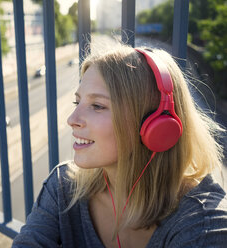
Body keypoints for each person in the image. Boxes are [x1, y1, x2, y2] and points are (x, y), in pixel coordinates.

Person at [12, 45, 227, 248]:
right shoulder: (63, 187)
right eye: (78, 103)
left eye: (97, 106)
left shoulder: (204, 224)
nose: (72, 119)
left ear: (157, 125)